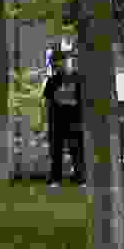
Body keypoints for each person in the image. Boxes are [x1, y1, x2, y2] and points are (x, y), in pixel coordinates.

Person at [42, 45, 82, 188]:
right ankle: (55, 179)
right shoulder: (52, 81)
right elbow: (48, 102)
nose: (58, 65)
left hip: (74, 120)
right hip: (57, 121)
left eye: (60, 62)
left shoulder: (77, 79)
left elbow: (82, 100)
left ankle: (80, 178)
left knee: (76, 149)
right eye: (55, 63)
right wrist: (47, 122)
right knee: (56, 151)